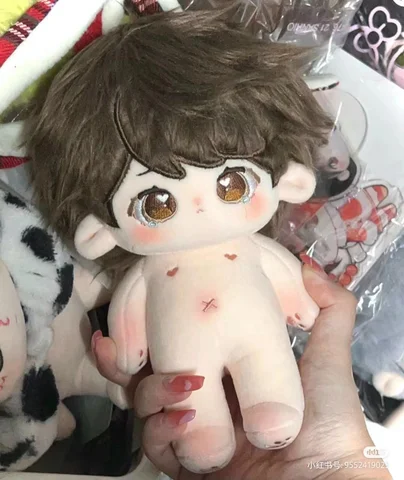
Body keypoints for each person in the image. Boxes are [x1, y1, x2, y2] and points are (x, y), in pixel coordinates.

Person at [92, 265, 393, 480]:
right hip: (214, 349)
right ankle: (208, 440)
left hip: (229, 349)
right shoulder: (150, 266)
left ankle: (231, 430)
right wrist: (335, 466)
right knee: (201, 396)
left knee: (230, 375)